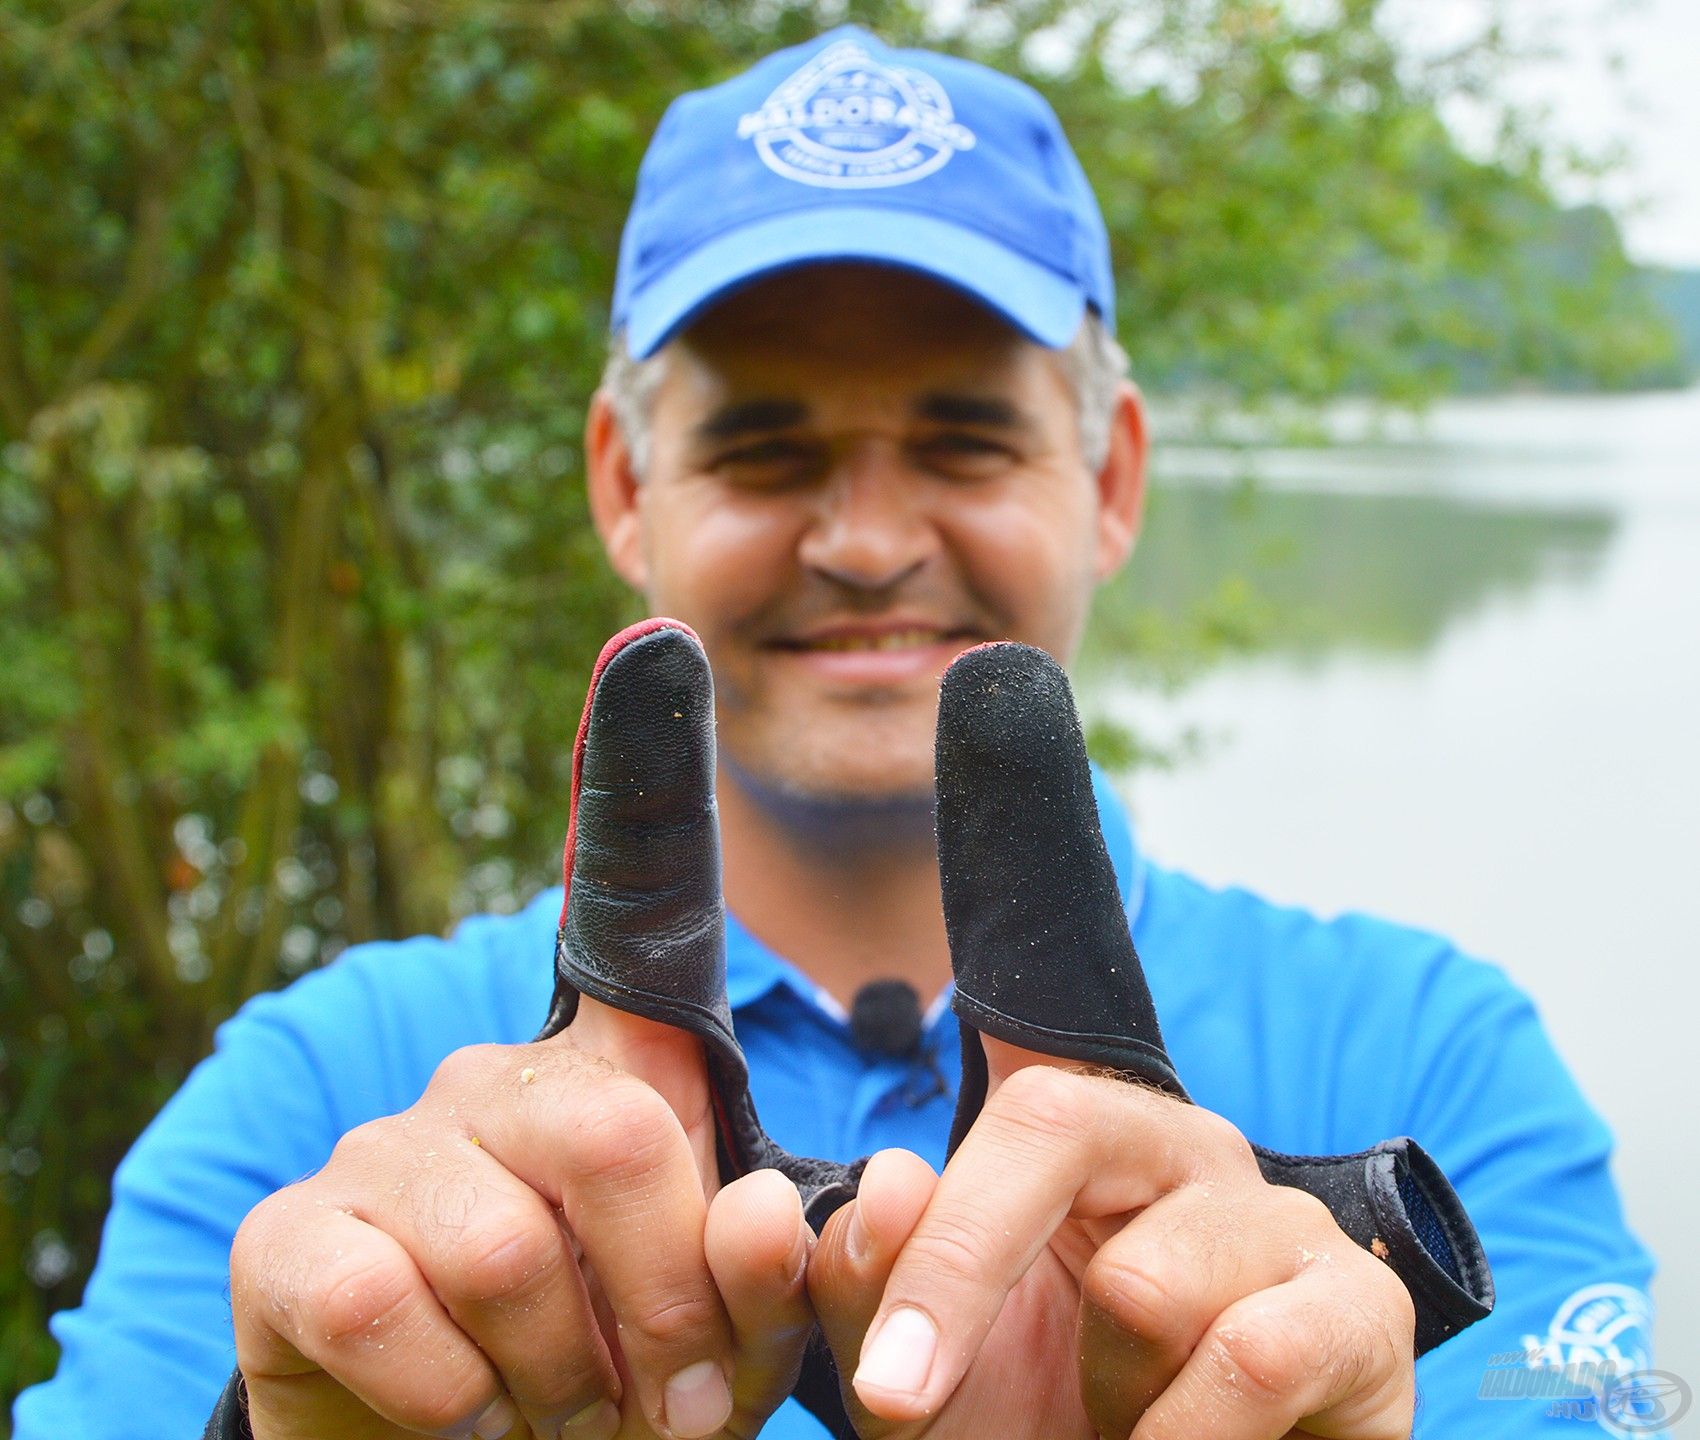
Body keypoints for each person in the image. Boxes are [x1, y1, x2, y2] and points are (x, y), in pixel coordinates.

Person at [13, 25, 1659, 1440]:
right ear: (620, 482)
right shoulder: (310, 1098)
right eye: (766, 451)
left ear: (1110, 479)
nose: (866, 538)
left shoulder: (1437, 1061)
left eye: (960, 439)